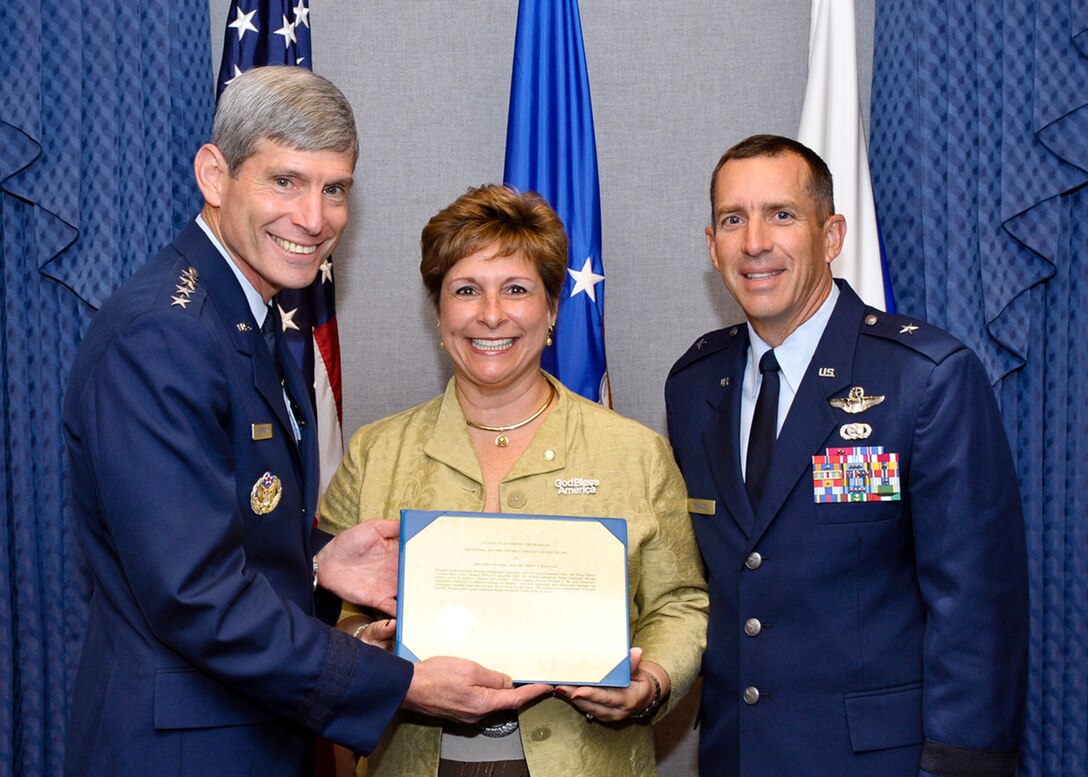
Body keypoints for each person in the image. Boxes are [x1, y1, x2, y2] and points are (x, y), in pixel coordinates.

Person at [62, 67, 548, 777]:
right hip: (182, 750)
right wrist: (404, 683)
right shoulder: (162, 337)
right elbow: (197, 595)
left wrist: (318, 558)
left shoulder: (258, 320)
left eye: (335, 188)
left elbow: (224, 521)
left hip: (247, 733)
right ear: (214, 175)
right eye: (285, 181)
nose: (314, 218)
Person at [664, 134, 1028, 777]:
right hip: (736, 755)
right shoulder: (695, 384)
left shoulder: (926, 377)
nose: (754, 242)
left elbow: (977, 611)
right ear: (711, 244)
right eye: (732, 219)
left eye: (781, 215)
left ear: (830, 235)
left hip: (876, 761)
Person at [319, 183, 708, 777]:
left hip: (587, 759)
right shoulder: (377, 453)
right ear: (440, 311)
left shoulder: (635, 452)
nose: (491, 314)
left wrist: (651, 682)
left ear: (552, 309)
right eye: (467, 290)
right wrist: (365, 646)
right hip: (416, 759)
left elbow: (680, 604)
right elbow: (326, 612)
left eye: (518, 290)